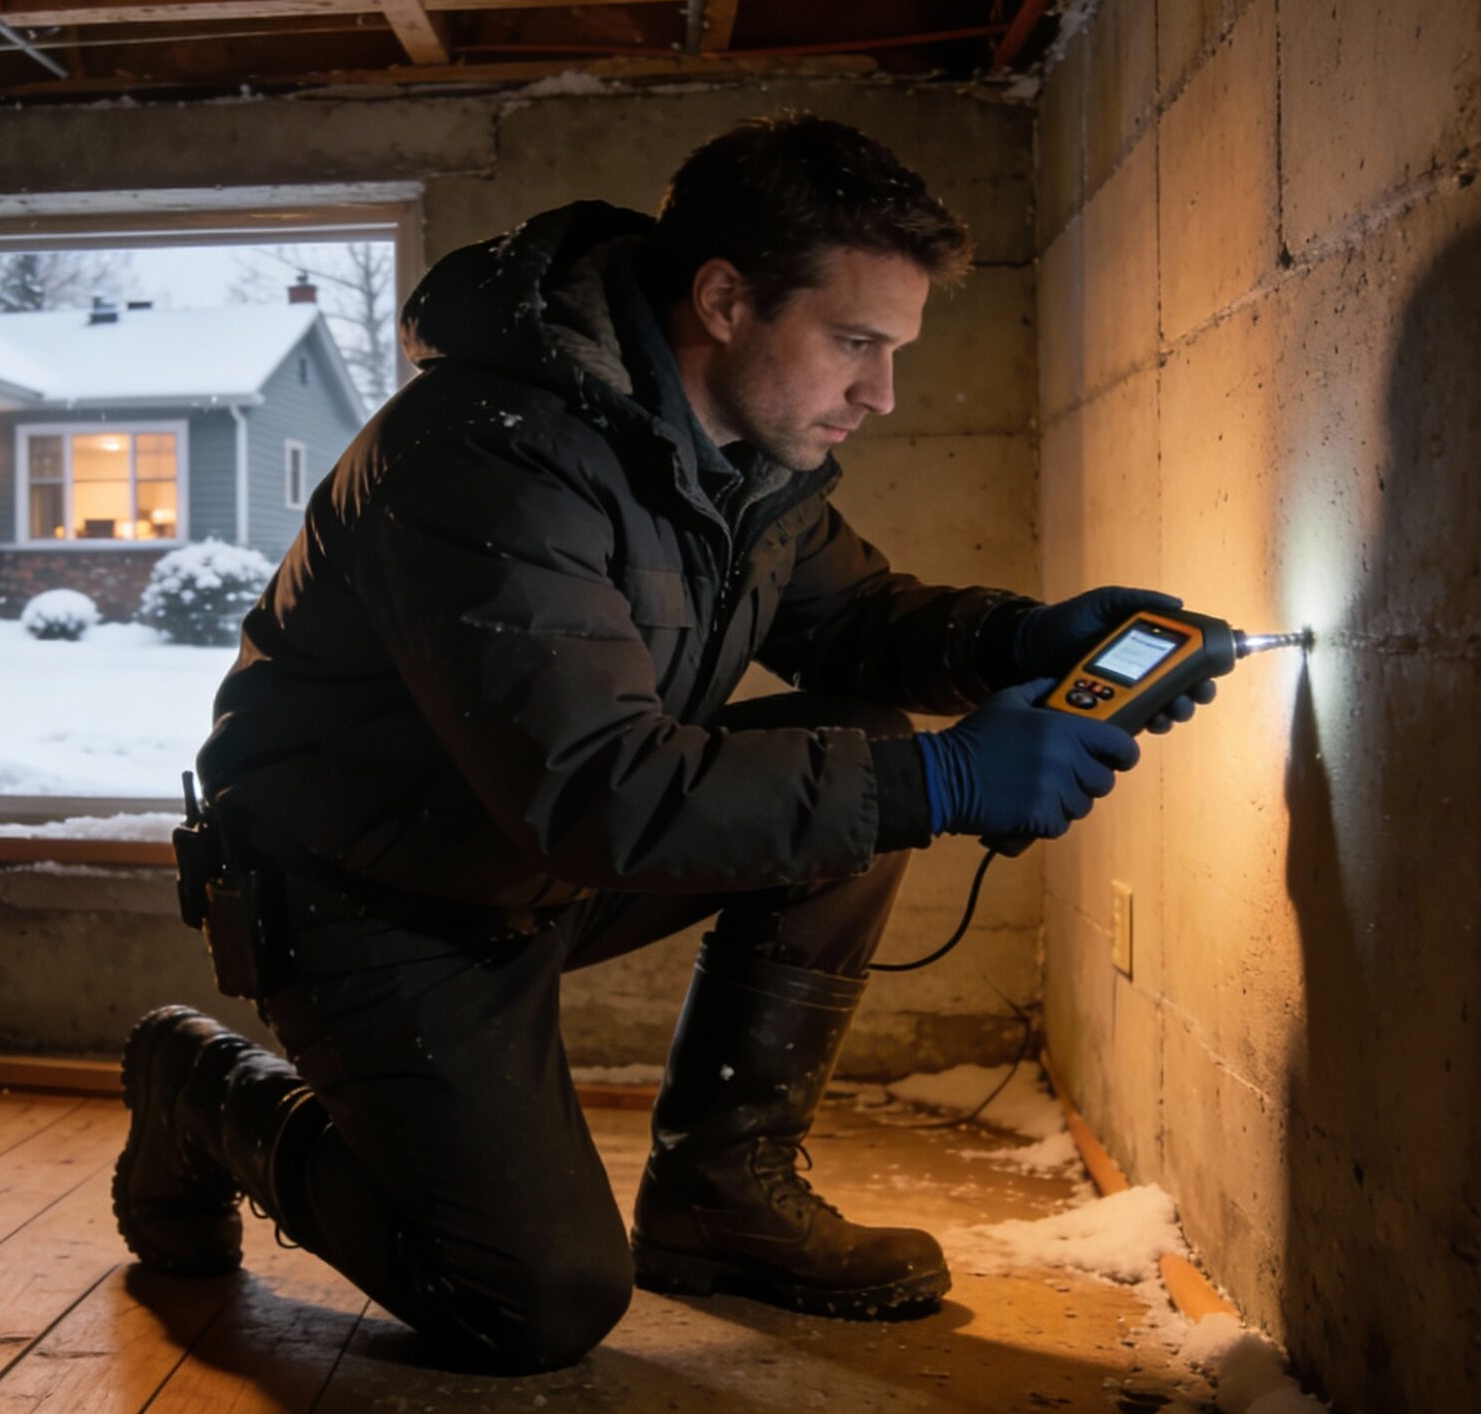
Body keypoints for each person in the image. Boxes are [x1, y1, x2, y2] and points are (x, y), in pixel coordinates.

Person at [112, 112, 1211, 1372]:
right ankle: (196, 1088)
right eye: (855, 343)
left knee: (853, 739)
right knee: (530, 1300)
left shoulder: (738, 453)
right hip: (365, 891)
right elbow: (602, 790)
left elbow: (849, 621)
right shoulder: (487, 454)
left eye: (894, 349)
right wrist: (948, 775)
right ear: (725, 298)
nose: (880, 392)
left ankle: (721, 1196)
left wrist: (1027, 641)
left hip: (529, 851)